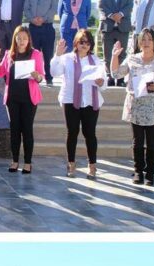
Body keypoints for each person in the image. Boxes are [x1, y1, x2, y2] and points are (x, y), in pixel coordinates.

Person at [110, 29, 154, 186]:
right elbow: (116, 74)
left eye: (149, 39)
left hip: (153, 107)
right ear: (138, 43)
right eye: (143, 39)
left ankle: (150, 173)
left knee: (152, 141)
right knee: (137, 141)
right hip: (135, 106)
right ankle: (138, 171)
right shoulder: (132, 59)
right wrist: (115, 56)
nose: (146, 42)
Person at [50, 31, 106, 179]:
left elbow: (103, 82)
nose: (85, 45)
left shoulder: (95, 59)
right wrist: (57, 55)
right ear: (76, 43)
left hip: (90, 100)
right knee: (72, 132)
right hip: (70, 100)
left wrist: (101, 82)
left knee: (90, 133)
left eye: (88, 43)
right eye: (82, 42)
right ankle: (71, 164)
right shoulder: (67, 58)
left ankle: (92, 165)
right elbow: (54, 72)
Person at [0, 25, 44, 174]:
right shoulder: (9, 54)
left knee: (27, 130)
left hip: (29, 98)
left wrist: (37, 76)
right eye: (19, 38)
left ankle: (27, 162)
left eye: (24, 38)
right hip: (12, 98)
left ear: (29, 40)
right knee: (14, 130)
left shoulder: (35, 54)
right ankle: (15, 161)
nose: (21, 41)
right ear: (15, 39)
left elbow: (41, 77)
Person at [98, 0, 132, 86]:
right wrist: (112, 16)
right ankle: (110, 78)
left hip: (123, 27)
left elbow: (129, 5)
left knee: (122, 54)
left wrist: (120, 14)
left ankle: (120, 78)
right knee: (107, 54)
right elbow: (101, 6)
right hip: (107, 26)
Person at [25, 0, 57, 86]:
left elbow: (53, 8)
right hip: (33, 28)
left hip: (47, 27)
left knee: (48, 55)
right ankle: (34, 78)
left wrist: (43, 18)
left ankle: (49, 78)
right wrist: (32, 19)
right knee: (32, 55)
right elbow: (26, 8)